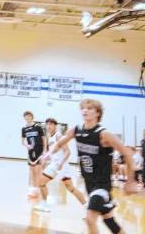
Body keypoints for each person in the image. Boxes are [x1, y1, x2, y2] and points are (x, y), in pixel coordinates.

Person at [44, 99, 137, 234]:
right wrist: (48, 154)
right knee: (109, 221)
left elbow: (127, 154)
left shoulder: (104, 134)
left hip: (102, 185)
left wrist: (130, 181)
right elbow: (59, 143)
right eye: (83, 108)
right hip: (89, 184)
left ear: (98, 113)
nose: (85, 110)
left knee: (89, 219)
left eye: (89, 108)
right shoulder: (76, 130)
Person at [35, 118, 86, 212]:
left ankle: (86, 207)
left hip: (60, 166)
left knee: (70, 188)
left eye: (51, 124)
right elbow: (54, 153)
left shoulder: (58, 136)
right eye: (47, 124)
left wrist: (61, 164)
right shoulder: (50, 136)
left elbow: (68, 152)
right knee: (42, 183)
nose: (48, 126)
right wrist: (45, 158)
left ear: (55, 126)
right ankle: (44, 205)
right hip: (54, 165)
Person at [21, 111, 46, 201]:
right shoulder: (24, 129)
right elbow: (23, 141)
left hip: (39, 151)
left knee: (38, 171)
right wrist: (26, 145)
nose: (27, 118)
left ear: (32, 117)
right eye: (25, 117)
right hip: (31, 153)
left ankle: (37, 190)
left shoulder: (38, 127)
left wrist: (45, 151)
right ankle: (32, 189)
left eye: (28, 116)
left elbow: (44, 138)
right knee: (32, 171)